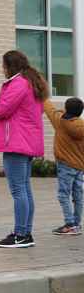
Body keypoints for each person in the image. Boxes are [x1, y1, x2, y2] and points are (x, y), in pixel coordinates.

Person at [0, 49, 48, 248]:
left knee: (18, 190)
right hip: (26, 142)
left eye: (3, 65)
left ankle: (20, 234)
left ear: (9, 66)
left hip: (16, 143)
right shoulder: (31, 82)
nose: (2, 69)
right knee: (25, 189)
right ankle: (25, 232)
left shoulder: (18, 83)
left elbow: (3, 109)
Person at [44, 96, 84, 236]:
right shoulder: (82, 125)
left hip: (66, 165)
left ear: (67, 108)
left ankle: (70, 224)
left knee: (63, 195)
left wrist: (42, 95)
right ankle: (77, 224)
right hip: (80, 167)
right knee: (78, 196)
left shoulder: (60, 122)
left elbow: (49, 109)